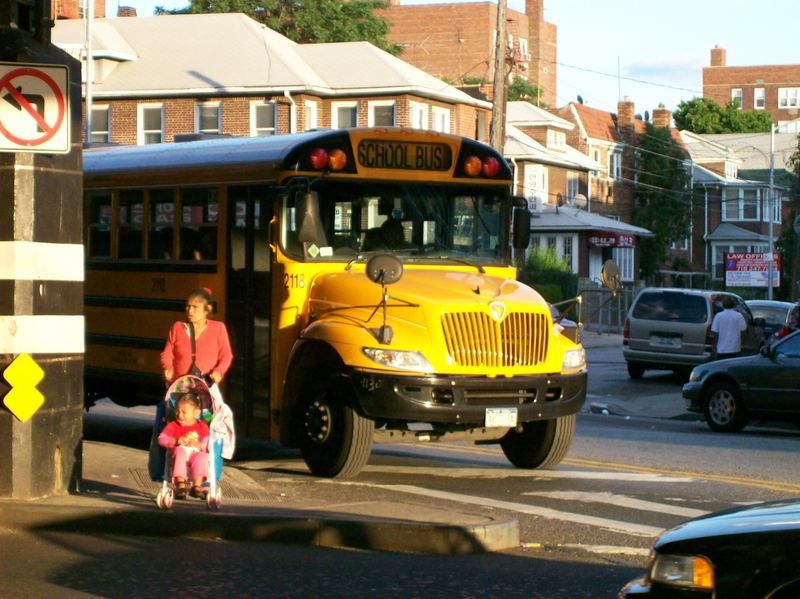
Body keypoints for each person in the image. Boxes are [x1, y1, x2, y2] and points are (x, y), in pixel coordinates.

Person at [161, 287, 233, 386]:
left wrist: (219, 371)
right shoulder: (177, 327)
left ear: (207, 309)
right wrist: (168, 368)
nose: (190, 311)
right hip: (179, 387)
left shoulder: (218, 328)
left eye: (195, 307)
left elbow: (226, 355)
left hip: (206, 387)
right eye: (188, 306)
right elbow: (167, 352)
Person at [158, 393, 209, 499]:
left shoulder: (202, 427)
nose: (179, 415)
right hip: (179, 453)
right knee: (179, 451)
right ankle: (181, 485)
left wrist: (199, 445)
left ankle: (197, 486)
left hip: (195, 453)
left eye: (184, 412)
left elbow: (208, 443)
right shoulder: (173, 426)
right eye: (177, 411)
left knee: (201, 456)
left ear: (195, 413)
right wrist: (175, 441)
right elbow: (161, 439)